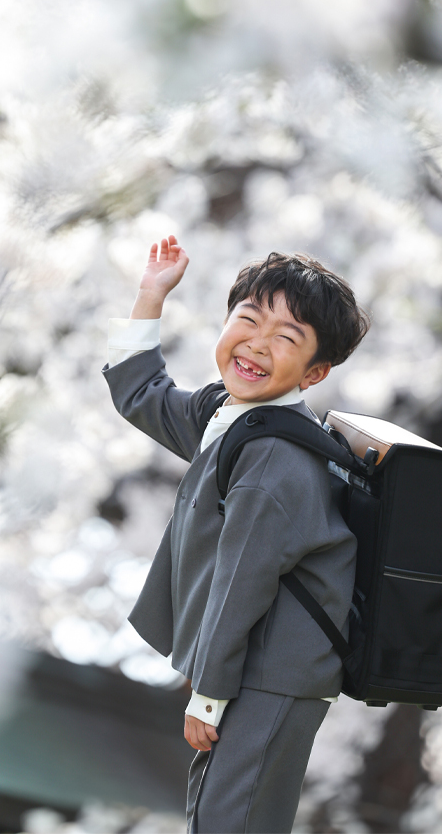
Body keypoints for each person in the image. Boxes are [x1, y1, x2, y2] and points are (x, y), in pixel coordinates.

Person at [103, 235, 370, 834]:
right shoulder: (231, 418)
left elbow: (241, 578)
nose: (256, 342)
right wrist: (152, 295)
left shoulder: (274, 453)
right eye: (248, 319)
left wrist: (210, 691)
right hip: (257, 666)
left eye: (287, 338)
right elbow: (141, 395)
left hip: (271, 674)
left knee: (232, 821)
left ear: (316, 371)